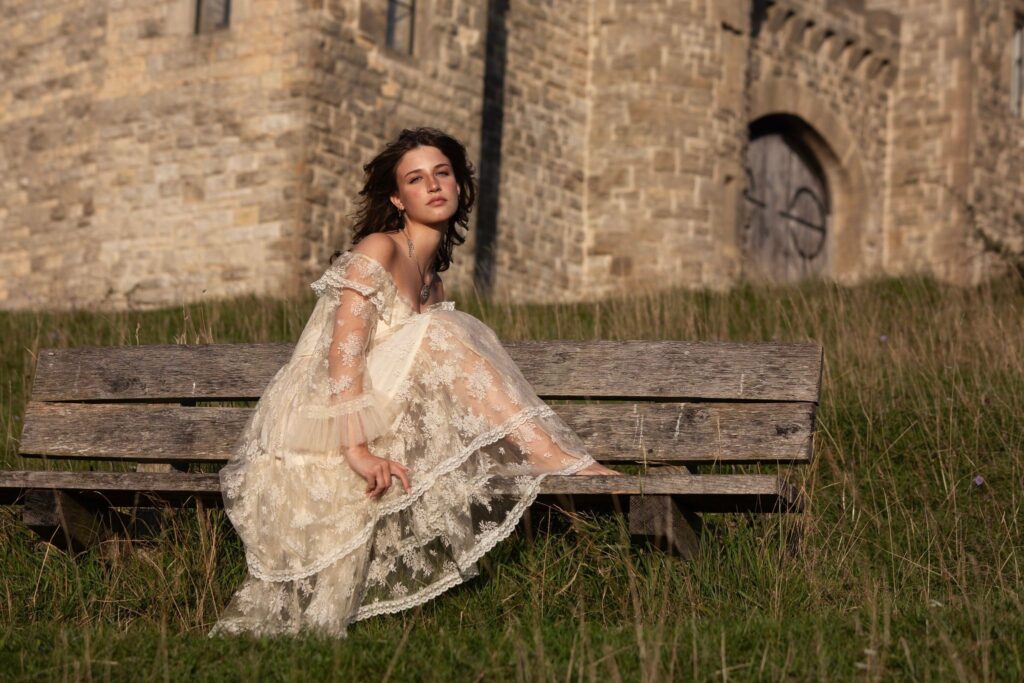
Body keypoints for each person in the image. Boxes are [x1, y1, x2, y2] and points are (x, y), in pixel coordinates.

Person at [210, 127, 621, 638]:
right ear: (396, 197)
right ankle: (558, 462)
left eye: (442, 173)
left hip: (381, 403)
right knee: (445, 328)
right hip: (318, 418)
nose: (433, 185)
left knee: (444, 325)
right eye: (416, 178)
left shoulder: (433, 281)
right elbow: (342, 357)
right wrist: (355, 449)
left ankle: (548, 464)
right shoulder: (379, 248)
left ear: (459, 184)